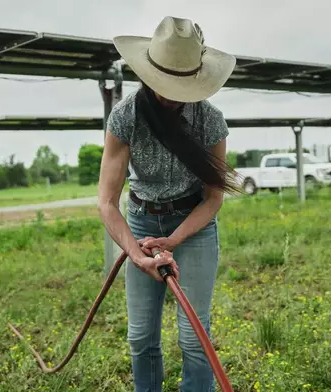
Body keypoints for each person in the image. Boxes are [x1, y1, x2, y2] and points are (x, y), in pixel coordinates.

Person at [97, 16, 239, 392]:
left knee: (194, 336)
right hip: (142, 224)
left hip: (192, 226)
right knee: (141, 337)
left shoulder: (210, 121)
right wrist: (137, 253)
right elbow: (108, 202)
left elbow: (213, 198)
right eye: (164, 84)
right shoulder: (126, 117)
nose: (170, 94)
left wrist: (174, 240)